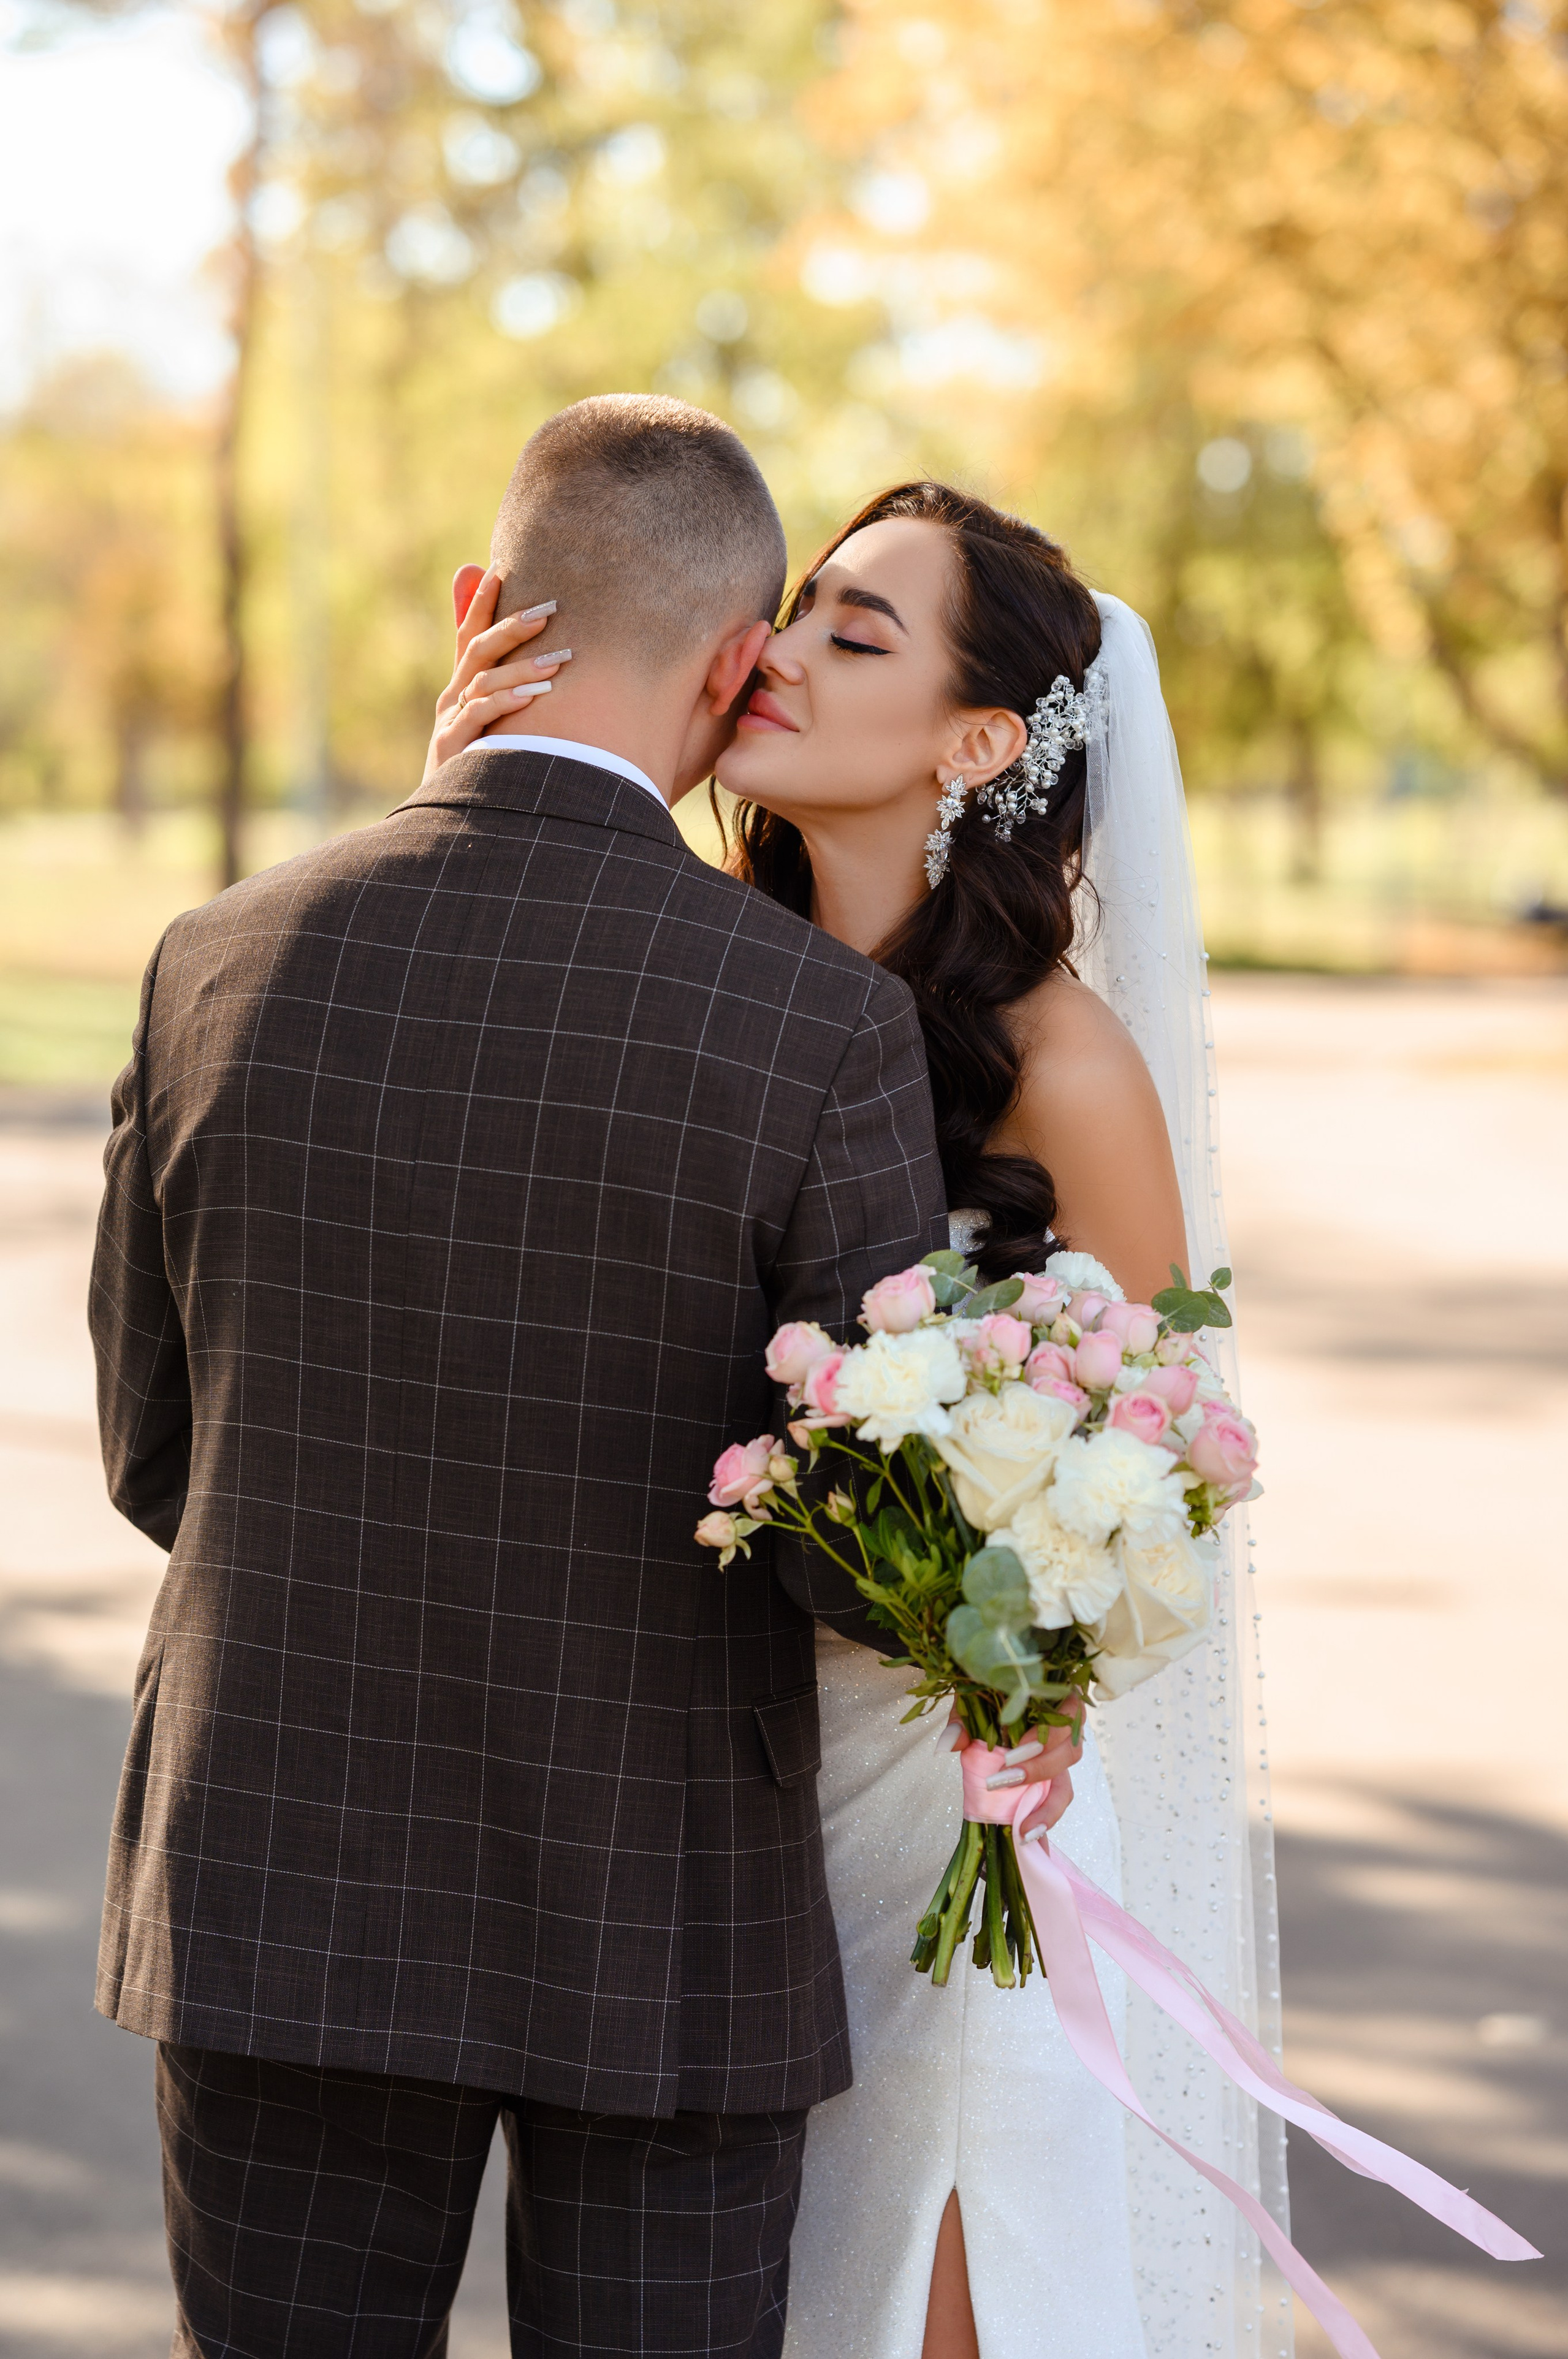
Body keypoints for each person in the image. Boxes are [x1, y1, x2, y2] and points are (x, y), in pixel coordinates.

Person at [88, 399, 1059, 2359]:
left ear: (479, 611)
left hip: (284, 1873)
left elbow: (157, 1447)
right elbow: (850, 1541)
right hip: (666, 1918)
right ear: (732, 669)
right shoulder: (817, 1027)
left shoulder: (216, 959)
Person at [430, 480, 1288, 2359]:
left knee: (938, 2293)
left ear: (980, 741)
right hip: (696, 1824)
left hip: (944, 1821)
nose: (783, 647)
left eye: (856, 632)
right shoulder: (689, 973)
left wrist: (1042, 1671)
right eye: (800, 607)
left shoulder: (1061, 1065)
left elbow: (1165, 1458)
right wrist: (477, 801)